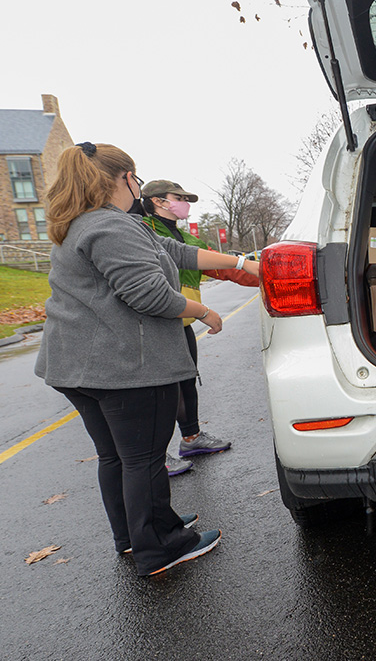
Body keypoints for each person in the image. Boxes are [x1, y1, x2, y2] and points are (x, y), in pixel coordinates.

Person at [33, 142, 249, 575]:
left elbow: (175, 253)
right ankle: (162, 545)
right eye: (135, 176)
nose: (137, 183)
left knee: (116, 457)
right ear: (124, 178)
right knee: (143, 459)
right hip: (123, 367)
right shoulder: (111, 228)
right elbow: (149, 293)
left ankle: (134, 536)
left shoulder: (87, 224)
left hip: (77, 366)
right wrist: (203, 311)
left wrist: (244, 262)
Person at [138, 179, 259, 476]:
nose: (185, 203)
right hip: (157, 322)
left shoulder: (187, 238)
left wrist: (269, 276)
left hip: (183, 322)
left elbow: (224, 267)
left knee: (187, 381)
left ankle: (191, 438)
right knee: (163, 392)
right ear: (157, 201)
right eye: (177, 197)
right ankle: (155, 456)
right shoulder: (144, 229)